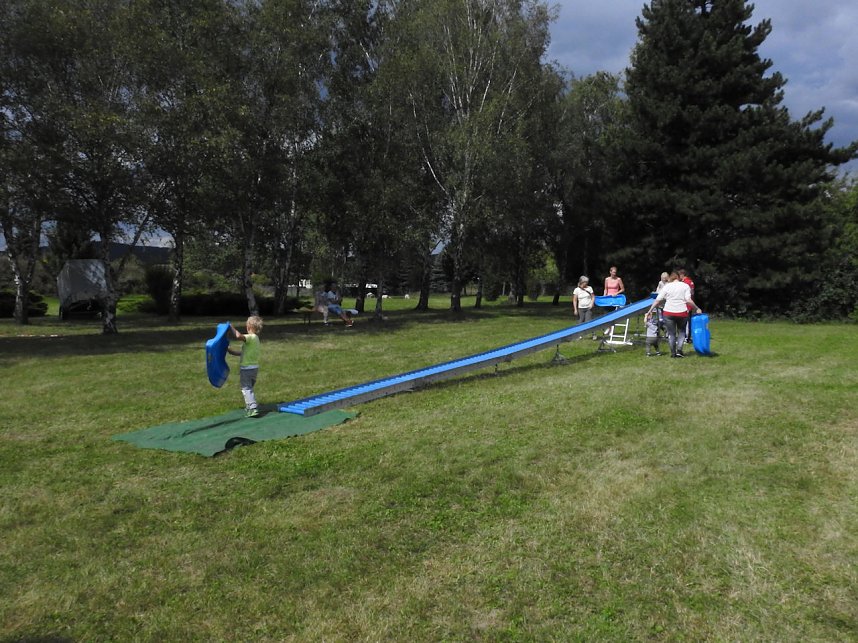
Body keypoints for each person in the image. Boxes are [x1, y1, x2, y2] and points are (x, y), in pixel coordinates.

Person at [645, 272, 701, 358]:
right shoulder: (685, 286)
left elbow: (658, 300)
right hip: (682, 312)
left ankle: (673, 353)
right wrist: (696, 308)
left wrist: (649, 311)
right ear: (678, 278)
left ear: (670, 278)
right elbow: (688, 300)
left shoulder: (667, 286)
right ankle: (679, 350)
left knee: (671, 334)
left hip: (668, 312)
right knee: (681, 332)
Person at [228, 315, 263, 417]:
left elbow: (238, 336)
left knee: (246, 388)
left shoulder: (251, 337)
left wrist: (231, 327)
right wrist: (231, 351)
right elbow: (243, 353)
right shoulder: (256, 339)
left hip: (246, 369)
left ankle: (252, 408)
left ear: (249, 327)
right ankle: (249, 406)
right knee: (249, 388)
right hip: (254, 368)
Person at [678, 268, 695, 343]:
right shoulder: (690, 282)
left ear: (682, 275)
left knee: (686, 322)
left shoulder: (685, 282)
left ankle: (687, 338)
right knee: (687, 321)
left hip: (686, 304)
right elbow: (692, 293)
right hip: (689, 304)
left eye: (679, 275)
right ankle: (687, 337)